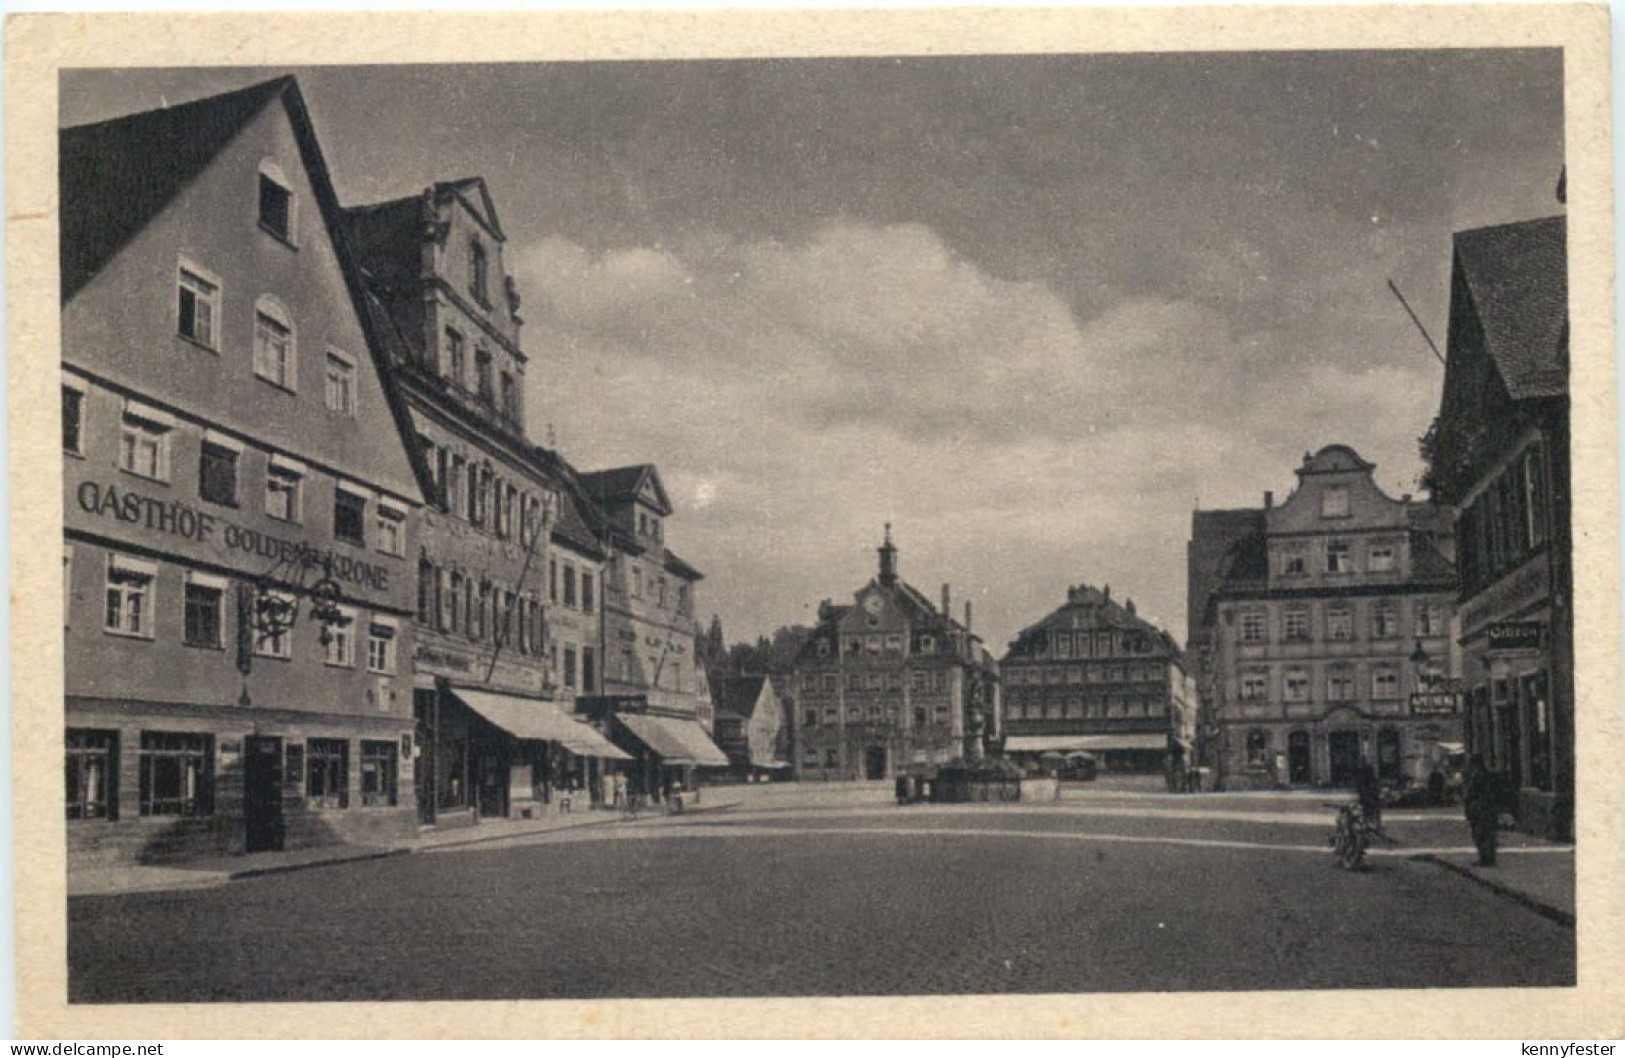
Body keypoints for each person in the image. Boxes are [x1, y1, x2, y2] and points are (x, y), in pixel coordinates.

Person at [1463, 755, 1499, 866]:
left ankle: (1486, 859)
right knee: (1486, 835)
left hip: (1480, 810)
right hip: (1485, 810)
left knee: (1482, 835)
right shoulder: (1487, 776)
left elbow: (1472, 794)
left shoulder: (1478, 777)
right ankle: (1487, 858)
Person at [1354, 759, 1382, 832]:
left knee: (1371, 812)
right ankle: (1371, 825)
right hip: (1368, 800)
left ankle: (1372, 825)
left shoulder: (1367, 780)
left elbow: (1375, 789)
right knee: (1370, 812)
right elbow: (1363, 791)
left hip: (1369, 799)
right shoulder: (1364, 780)